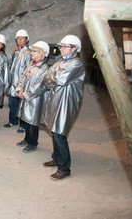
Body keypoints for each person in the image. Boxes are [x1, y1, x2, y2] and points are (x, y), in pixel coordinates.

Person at [42, 35, 85, 180]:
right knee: (54, 130)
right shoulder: (60, 61)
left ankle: (64, 167)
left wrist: (52, 76)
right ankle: (57, 158)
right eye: (61, 46)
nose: (61, 48)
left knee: (59, 133)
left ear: (74, 49)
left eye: (64, 46)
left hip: (66, 102)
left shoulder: (76, 64)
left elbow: (60, 79)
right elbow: (46, 79)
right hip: (56, 99)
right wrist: (53, 76)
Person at [16, 41, 49, 153]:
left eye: (34, 51)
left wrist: (26, 94)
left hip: (35, 100)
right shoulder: (32, 64)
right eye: (32, 51)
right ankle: (26, 139)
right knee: (26, 120)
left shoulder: (44, 68)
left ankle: (33, 143)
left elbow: (39, 86)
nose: (32, 53)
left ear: (42, 53)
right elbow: (23, 76)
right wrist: (19, 88)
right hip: (26, 97)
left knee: (33, 122)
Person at [5, 29, 31, 133]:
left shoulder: (28, 53)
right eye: (18, 39)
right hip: (13, 82)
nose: (20, 40)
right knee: (12, 103)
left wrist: (24, 84)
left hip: (22, 83)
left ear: (26, 40)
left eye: (22, 38)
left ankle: (23, 125)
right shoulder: (15, 52)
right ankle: (12, 121)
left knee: (22, 105)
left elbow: (28, 69)